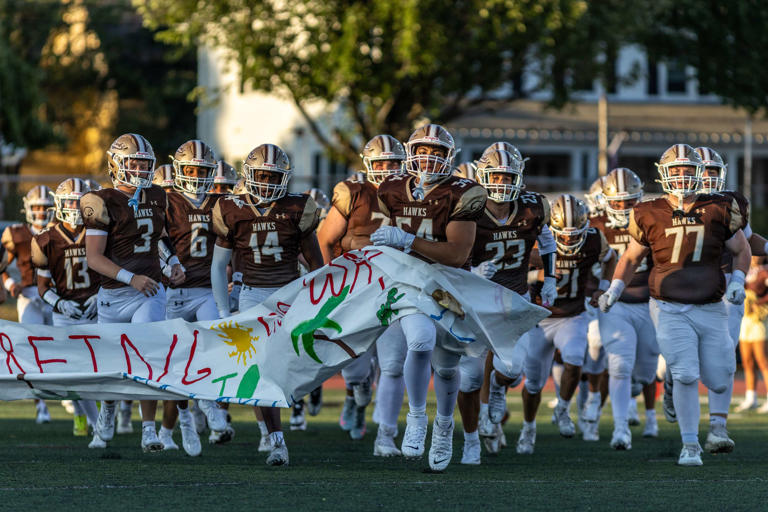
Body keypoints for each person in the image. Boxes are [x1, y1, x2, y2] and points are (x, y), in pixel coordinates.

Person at [600, 143, 750, 466]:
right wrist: (615, 288)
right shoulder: (648, 211)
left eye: (687, 170)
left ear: (699, 173)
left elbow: (742, 249)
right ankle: (690, 445)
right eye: (676, 170)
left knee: (721, 376)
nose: (682, 176)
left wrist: (738, 281)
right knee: (686, 373)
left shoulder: (719, 206)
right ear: (664, 174)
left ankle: (671, 379)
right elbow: (631, 257)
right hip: (668, 304)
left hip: (711, 304)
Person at [372, 123, 487, 471]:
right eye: (422, 150)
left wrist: (407, 240)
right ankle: (417, 417)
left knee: (448, 367)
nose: (428, 158)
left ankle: (444, 426)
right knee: (420, 341)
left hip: (448, 285)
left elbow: (457, 254)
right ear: (410, 153)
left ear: (449, 156)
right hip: (408, 282)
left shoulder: (463, 192)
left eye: (436, 152)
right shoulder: (391, 188)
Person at [211, 143, 323, 466]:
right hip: (252, 295)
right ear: (249, 175)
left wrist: (315, 301)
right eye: (261, 175)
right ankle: (276, 440)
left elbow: (317, 264)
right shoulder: (231, 208)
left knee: (287, 366)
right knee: (260, 368)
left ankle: (294, 411)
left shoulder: (297, 208)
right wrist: (223, 312)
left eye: (273, 176)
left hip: (290, 293)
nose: (267, 182)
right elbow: (218, 266)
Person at [82, 133, 186, 452]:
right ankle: (108, 410)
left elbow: (159, 236)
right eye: (134, 163)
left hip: (149, 289)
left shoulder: (156, 195)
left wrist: (174, 262)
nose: (141, 170)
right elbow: (94, 258)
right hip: (114, 294)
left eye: (144, 164)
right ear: (116, 164)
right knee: (111, 364)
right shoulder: (99, 200)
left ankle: (148, 430)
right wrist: (131, 279)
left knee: (146, 355)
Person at [459, 147, 556, 464]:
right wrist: (470, 272)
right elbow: (450, 250)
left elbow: (548, 241)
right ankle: (469, 438)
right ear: (483, 176)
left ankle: (498, 391)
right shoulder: (468, 207)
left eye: (507, 177)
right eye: (496, 176)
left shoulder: (532, 207)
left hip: (516, 298)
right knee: (469, 378)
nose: (501, 183)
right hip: (476, 302)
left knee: (513, 370)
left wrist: (550, 278)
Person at [317, 134, 407, 450]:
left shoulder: (413, 193)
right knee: (354, 371)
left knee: (393, 365)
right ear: (368, 164)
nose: (386, 169)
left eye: (392, 163)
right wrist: (329, 284)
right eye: (380, 163)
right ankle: (356, 398)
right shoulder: (353, 192)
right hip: (355, 288)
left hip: (395, 289)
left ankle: (385, 434)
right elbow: (325, 240)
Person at [516, 194, 615, 454]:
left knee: (574, 359)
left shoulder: (593, 239)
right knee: (533, 383)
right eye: (564, 234)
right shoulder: (535, 240)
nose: (569, 240)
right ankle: (528, 428)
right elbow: (514, 268)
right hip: (538, 318)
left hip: (572, 314)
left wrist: (603, 288)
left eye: (575, 234)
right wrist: (531, 279)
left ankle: (563, 408)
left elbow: (610, 258)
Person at [591, 168, 659, 449]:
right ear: (605, 200)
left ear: (639, 198)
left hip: (649, 302)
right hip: (614, 304)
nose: (622, 207)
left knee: (646, 373)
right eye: (616, 202)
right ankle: (620, 430)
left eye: (629, 201)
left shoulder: (651, 219)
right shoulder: (596, 225)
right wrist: (595, 289)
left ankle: (638, 391)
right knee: (618, 365)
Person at [31, 178, 101, 446]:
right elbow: (42, 287)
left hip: (96, 309)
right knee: (72, 375)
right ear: (59, 204)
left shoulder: (99, 232)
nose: (75, 208)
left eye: (80, 202)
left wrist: (101, 295)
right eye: (70, 202)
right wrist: (60, 304)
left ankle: (105, 419)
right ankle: (95, 424)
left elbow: (109, 269)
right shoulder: (46, 239)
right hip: (64, 313)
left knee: (99, 371)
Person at [2, 185, 55, 423]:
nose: (41, 211)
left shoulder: (59, 231)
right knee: (31, 352)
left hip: (55, 296)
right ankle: (41, 405)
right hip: (29, 295)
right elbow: (2, 265)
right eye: (37, 207)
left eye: (45, 207)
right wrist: (10, 284)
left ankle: (72, 401)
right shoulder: (16, 234)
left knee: (60, 347)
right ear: (28, 208)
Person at [738, 260, 768, 412]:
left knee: (762, 360)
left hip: (758, 319)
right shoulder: (746, 270)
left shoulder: (764, 272)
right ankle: (751, 398)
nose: (755, 256)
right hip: (745, 319)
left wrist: (759, 302)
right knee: (747, 360)